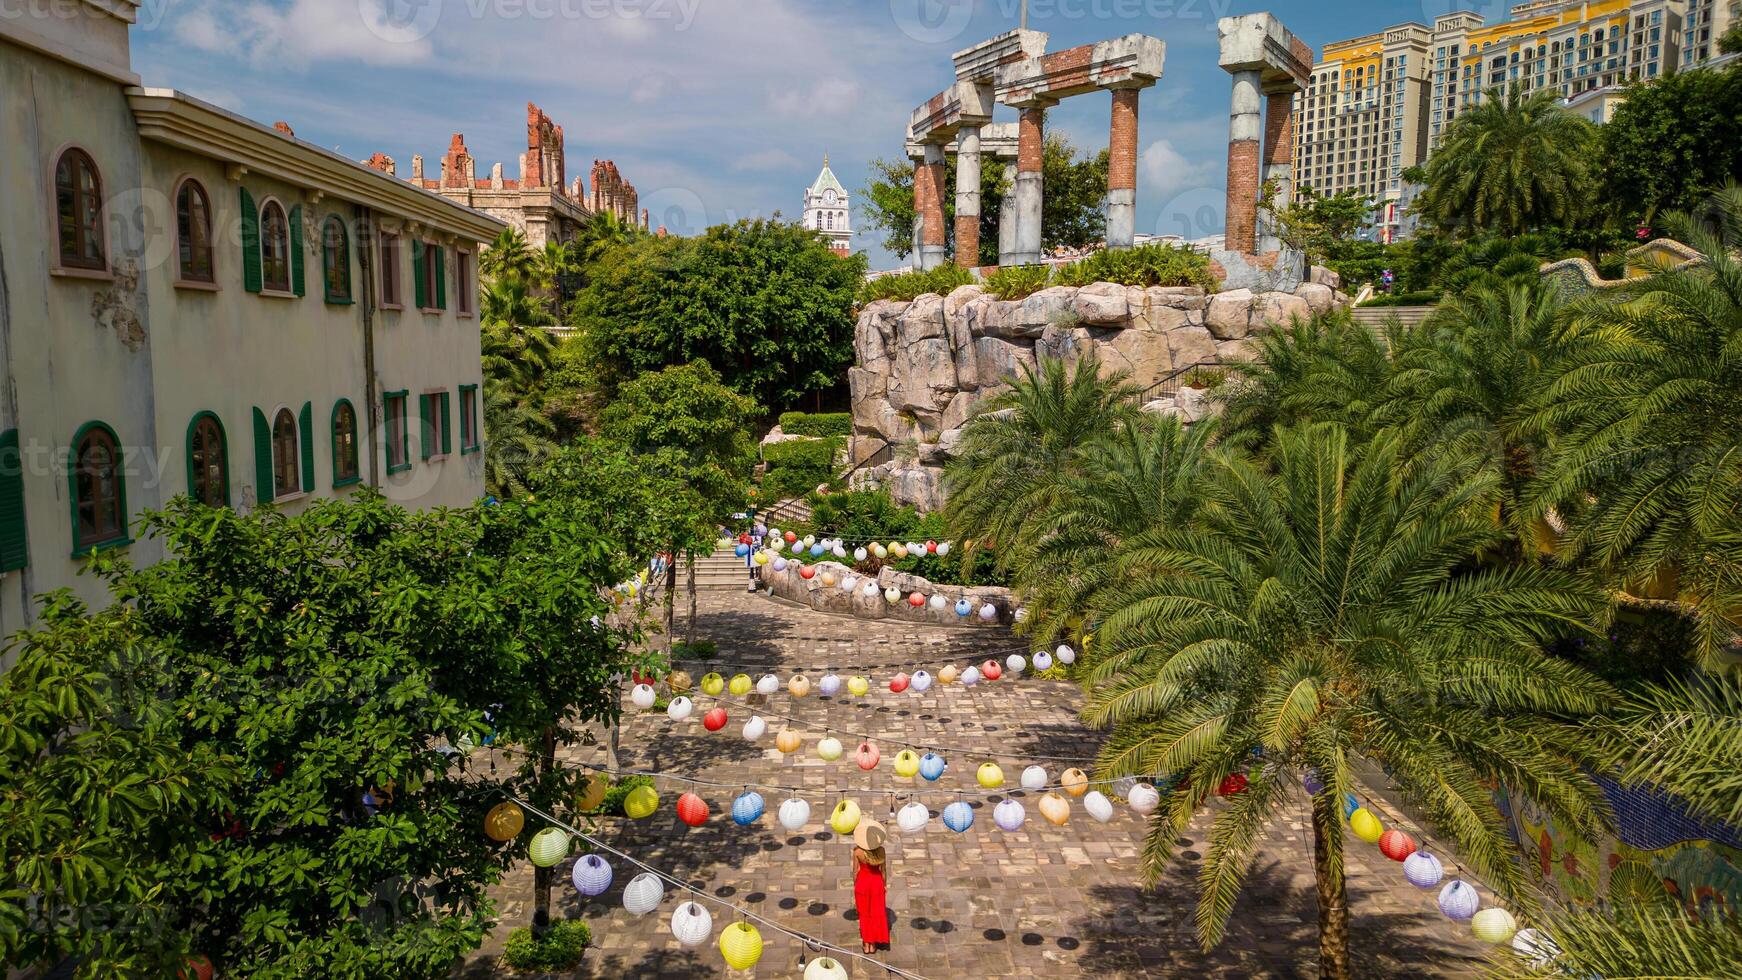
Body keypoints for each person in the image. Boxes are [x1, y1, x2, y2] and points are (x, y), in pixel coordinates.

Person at [851, 820, 889, 953]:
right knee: (876, 913)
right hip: (876, 884)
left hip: (863, 884)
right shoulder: (881, 851)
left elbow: (855, 872)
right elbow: (883, 871)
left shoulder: (857, 852)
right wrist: (884, 885)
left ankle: (866, 944)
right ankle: (873, 943)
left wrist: (856, 885)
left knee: (864, 914)